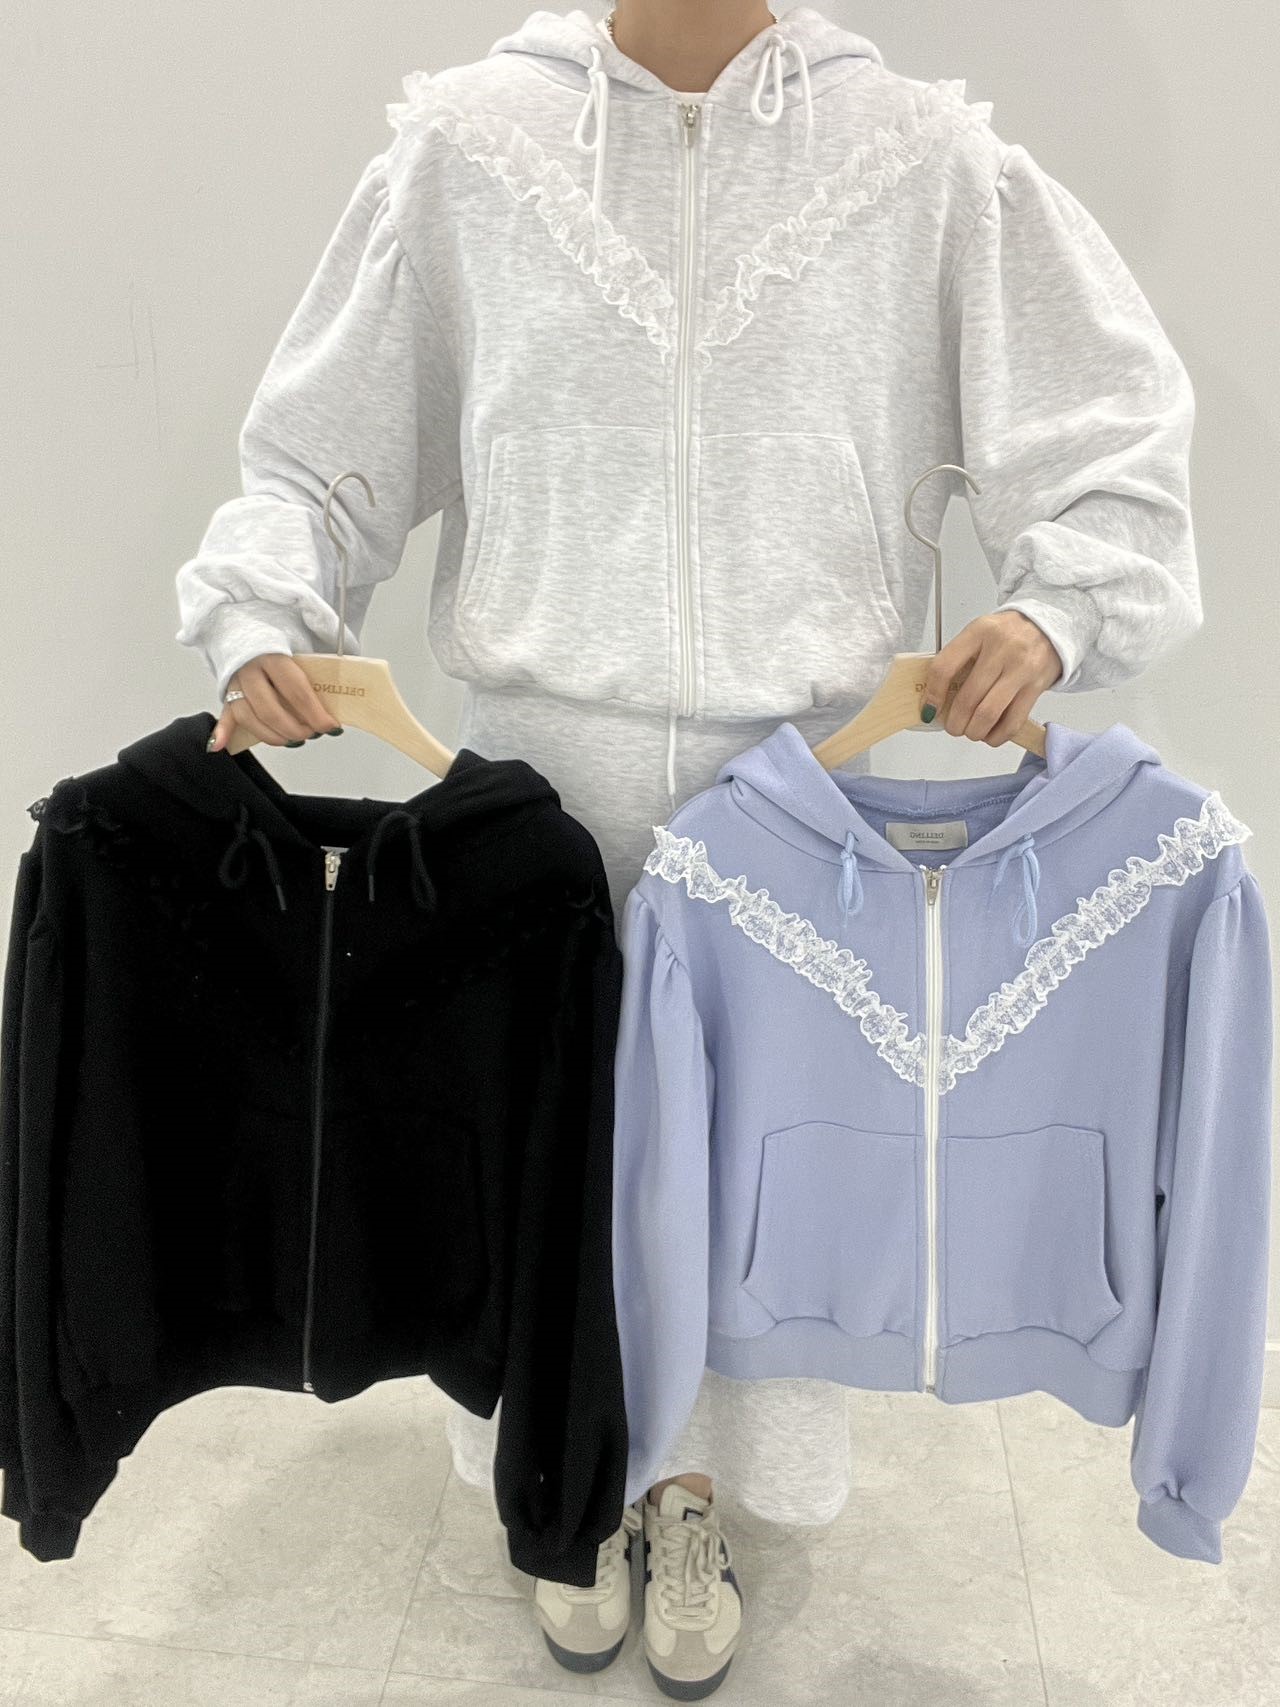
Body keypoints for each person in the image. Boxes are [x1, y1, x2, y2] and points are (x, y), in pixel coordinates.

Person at [178, 3, 1201, 1698]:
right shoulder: (467, 148)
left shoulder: (923, 159)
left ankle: (693, 1497)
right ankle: (567, 1474)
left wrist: (1055, 606)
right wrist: (263, 612)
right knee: (553, 1143)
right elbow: (318, 453)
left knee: (755, 1161)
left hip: (798, 785)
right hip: (539, 777)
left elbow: (1106, 435)